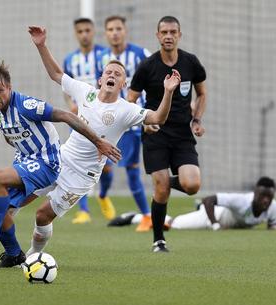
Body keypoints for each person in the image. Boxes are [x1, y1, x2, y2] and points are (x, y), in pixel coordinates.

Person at [25, 25, 181, 257]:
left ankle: (31, 256)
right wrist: (41, 45)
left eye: (118, 75)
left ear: (123, 85)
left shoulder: (127, 109)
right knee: (18, 196)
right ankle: (6, 247)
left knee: (42, 215)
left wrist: (168, 92)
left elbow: (158, 117)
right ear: (100, 79)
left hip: (82, 176)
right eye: (108, 72)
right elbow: (57, 74)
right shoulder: (84, 92)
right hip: (61, 159)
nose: (112, 75)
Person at [0, 61, 120, 267]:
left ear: (9, 88)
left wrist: (98, 142)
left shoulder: (26, 105)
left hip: (47, 163)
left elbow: (66, 115)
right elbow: (11, 135)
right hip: (27, 162)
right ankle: (14, 254)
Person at [128, 16, 207, 252]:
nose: (169, 36)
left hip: (183, 134)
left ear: (180, 35)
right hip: (156, 134)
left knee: (192, 185)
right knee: (161, 191)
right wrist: (144, 121)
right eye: (164, 32)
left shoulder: (190, 62)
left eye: (173, 32)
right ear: (158, 35)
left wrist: (197, 119)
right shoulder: (147, 66)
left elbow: (201, 94)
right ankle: (158, 240)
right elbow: (131, 99)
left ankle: (162, 182)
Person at [97, 15, 153, 232]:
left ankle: (147, 216)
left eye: (118, 28)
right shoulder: (101, 57)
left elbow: (155, 76)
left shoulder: (140, 54)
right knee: (103, 168)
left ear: (125, 31)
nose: (115, 32)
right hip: (105, 120)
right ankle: (102, 195)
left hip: (131, 120)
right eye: (110, 29)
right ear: (106, 33)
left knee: (131, 169)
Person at [63, 17, 106, 224]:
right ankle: (83, 210)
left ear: (93, 31)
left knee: (106, 165)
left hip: (102, 117)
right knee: (77, 163)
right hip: (80, 118)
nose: (84, 34)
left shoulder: (103, 55)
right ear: (76, 33)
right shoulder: (70, 59)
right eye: (80, 31)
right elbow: (66, 85)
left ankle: (103, 195)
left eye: (87, 30)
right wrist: (71, 104)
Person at [165, 177, 276, 230]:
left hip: (231, 225)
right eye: (262, 196)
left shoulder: (273, 206)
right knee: (175, 225)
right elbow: (208, 200)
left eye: (269, 197)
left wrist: (274, 228)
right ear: (255, 193)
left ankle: (199, 206)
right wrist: (215, 224)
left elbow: (272, 226)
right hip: (215, 216)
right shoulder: (241, 201)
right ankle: (152, 216)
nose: (266, 200)